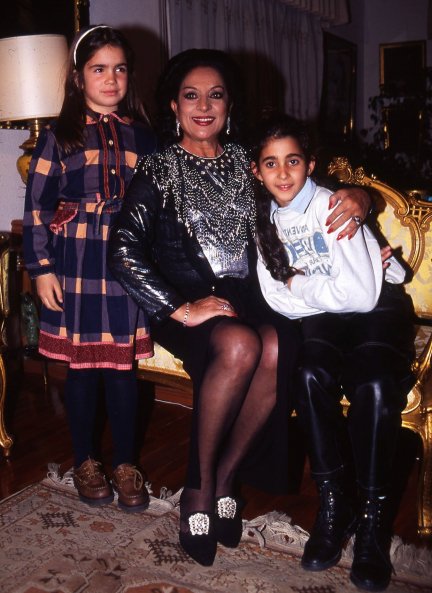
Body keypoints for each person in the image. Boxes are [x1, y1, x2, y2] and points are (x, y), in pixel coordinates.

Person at [107, 48, 370, 566]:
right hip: (190, 306)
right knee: (237, 341)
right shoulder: (158, 167)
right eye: (191, 95)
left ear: (230, 105)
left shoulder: (244, 161)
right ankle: (200, 488)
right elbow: (122, 249)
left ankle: (229, 473)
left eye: (216, 95)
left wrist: (358, 198)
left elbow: (298, 199)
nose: (204, 106)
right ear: (173, 104)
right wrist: (179, 309)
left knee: (278, 342)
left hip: (251, 297)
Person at [252, 113, 415, 592]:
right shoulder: (263, 221)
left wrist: (302, 282)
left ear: (311, 164)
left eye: (293, 161)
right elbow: (275, 298)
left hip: (378, 309)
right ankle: (333, 504)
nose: (283, 173)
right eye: (271, 163)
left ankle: (371, 523)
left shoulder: (333, 206)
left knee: (376, 385)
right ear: (257, 171)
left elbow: (363, 296)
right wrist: (326, 290)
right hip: (326, 315)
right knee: (308, 375)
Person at [23, 25, 156, 513]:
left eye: (120, 69)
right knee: (81, 371)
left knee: (122, 370)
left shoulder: (143, 135)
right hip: (75, 262)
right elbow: (37, 207)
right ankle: (85, 459)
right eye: (99, 69)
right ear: (79, 78)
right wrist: (40, 268)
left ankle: (125, 462)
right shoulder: (61, 137)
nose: (111, 78)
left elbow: (158, 202)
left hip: (126, 261)